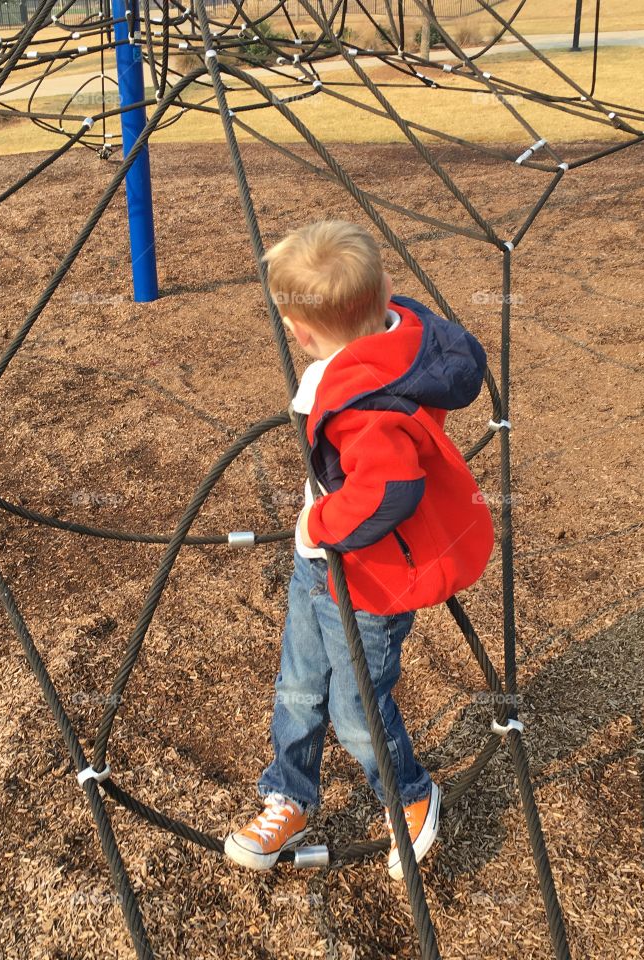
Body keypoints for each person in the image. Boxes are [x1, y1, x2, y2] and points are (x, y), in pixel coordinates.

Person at [224, 220, 494, 879]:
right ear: (388, 290)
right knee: (298, 685)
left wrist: (320, 527)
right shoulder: (399, 330)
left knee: (355, 705)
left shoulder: (364, 404)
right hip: (319, 569)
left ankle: (410, 794)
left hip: (365, 580)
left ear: (301, 333)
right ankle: (289, 793)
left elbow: (390, 490)